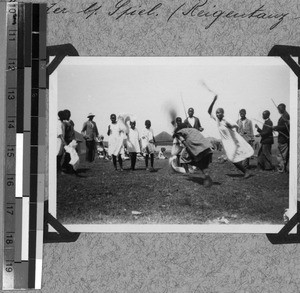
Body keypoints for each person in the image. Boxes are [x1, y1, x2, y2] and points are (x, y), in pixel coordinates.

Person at [208, 95, 254, 178]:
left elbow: (236, 126)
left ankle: (246, 171)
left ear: (223, 113)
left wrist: (230, 126)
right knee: (232, 158)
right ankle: (245, 170)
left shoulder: (226, 119)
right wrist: (213, 101)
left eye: (219, 112)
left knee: (232, 158)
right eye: (217, 113)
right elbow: (209, 111)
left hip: (232, 141)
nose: (218, 114)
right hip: (226, 142)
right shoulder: (218, 120)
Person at [171, 122, 213, 187]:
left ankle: (206, 177)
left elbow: (183, 141)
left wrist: (175, 134)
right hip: (208, 149)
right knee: (203, 164)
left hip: (198, 150)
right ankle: (206, 176)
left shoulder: (180, 132)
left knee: (186, 158)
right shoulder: (194, 129)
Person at [272, 103, 290, 173]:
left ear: (283, 108)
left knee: (281, 154)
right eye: (278, 109)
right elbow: (283, 127)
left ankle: (281, 169)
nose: (278, 110)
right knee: (283, 155)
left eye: (279, 108)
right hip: (283, 137)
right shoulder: (285, 115)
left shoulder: (285, 116)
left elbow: (286, 127)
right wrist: (276, 128)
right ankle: (283, 169)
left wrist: (276, 127)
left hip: (283, 138)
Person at [61, 109, 76, 173]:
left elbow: (72, 131)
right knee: (68, 154)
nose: (69, 115)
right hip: (67, 140)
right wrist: (64, 142)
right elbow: (63, 133)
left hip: (71, 140)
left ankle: (69, 167)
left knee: (71, 155)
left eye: (69, 114)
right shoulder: (64, 123)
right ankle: (65, 167)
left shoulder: (71, 122)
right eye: (67, 114)